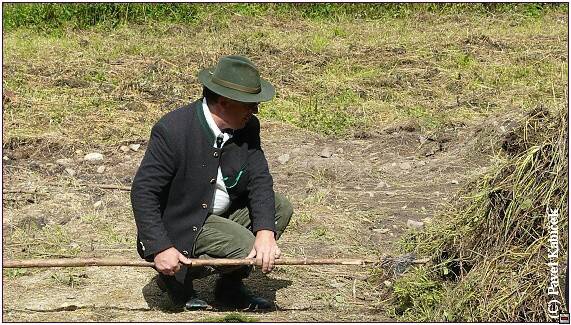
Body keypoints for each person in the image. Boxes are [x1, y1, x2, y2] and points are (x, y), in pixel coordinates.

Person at [131, 55, 293, 311]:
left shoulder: (248, 127)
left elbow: (260, 179)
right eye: (250, 104)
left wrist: (265, 232)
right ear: (224, 102)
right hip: (182, 222)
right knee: (245, 245)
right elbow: (144, 192)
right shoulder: (173, 130)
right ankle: (175, 278)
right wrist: (160, 247)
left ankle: (229, 288)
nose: (256, 111)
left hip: (218, 214)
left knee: (279, 208)